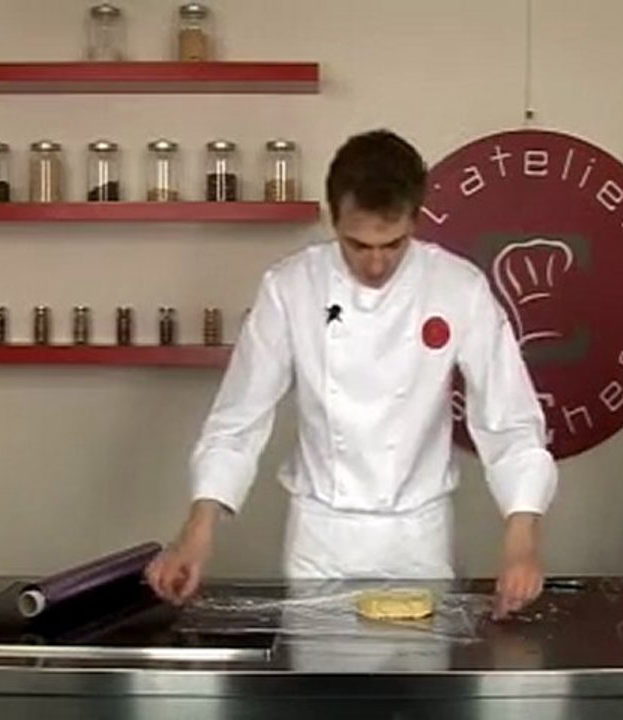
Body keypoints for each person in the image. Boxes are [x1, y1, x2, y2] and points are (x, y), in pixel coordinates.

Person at [145, 129, 558, 619]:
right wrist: (197, 530)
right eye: (357, 245)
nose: (377, 262)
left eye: (394, 243)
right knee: (320, 690)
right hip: (323, 540)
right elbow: (238, 419)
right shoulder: (291, 288)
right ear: (333, 220)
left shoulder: (458, 287)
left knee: (421, 693)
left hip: (418, 539)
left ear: (416, 218)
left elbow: (510, 421)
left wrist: (522, 536)